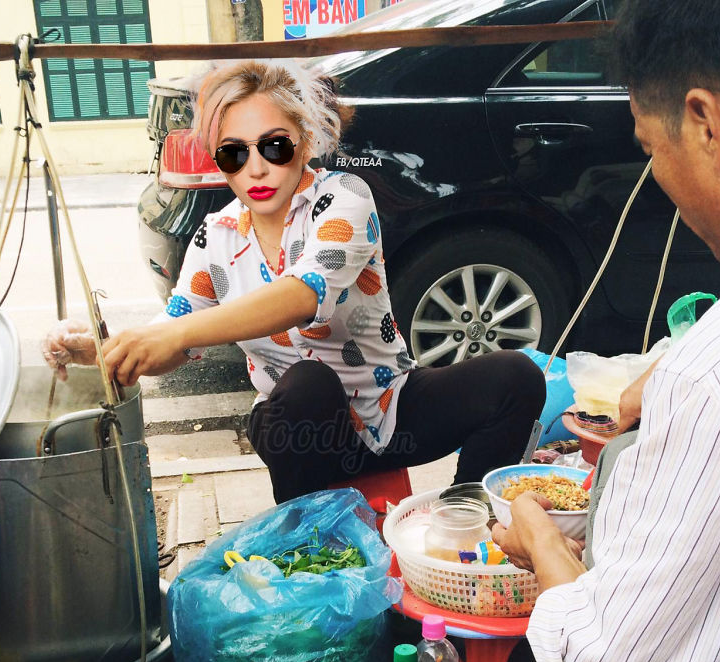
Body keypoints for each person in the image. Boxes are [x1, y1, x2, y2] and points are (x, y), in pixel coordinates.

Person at [492, 2, 720, 662]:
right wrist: (681, 364)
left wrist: (545, 546)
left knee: (625, 581)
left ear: (706, 123)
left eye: (651, 152)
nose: (658, 180)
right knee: (633, 463)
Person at [42, 59, 545, 504]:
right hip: (302, 437)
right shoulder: (216, 236)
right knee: (305, 385)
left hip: (391, 416)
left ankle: (468, 513)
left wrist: (173, 335)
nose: (256, 167)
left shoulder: (343, 196)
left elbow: (305, 294)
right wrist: (105, 350)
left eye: (274, 146)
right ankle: (307, 541)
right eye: (233, 153)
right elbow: (177, 330)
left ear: (304, 140)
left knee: (515, 377)